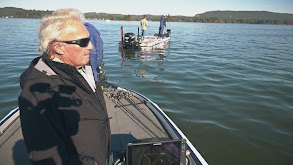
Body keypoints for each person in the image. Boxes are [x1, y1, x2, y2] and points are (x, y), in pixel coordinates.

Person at [18, 8, 111, 165]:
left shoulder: (81, 67)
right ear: (58, 47)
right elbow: (46, 156)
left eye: (89, 40)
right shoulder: (37, 92)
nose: (91, 47)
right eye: (83, 42)